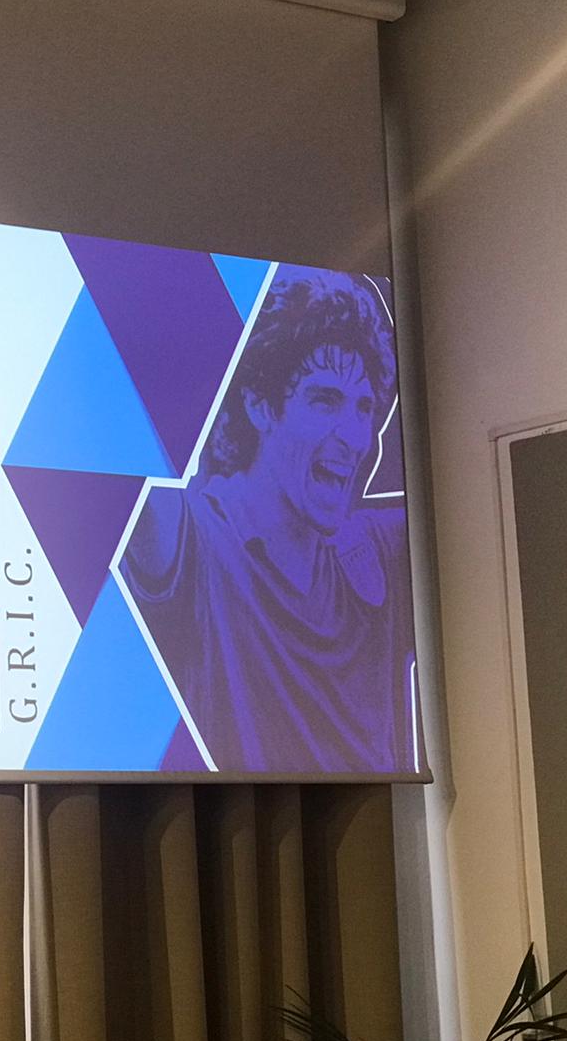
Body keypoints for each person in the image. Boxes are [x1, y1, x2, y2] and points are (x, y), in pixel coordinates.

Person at [122, 267, 414, 773]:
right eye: (325, 400)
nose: (355, 436)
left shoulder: (376, 549)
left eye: (364, 407)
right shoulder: (195, 535)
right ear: (259, 404)